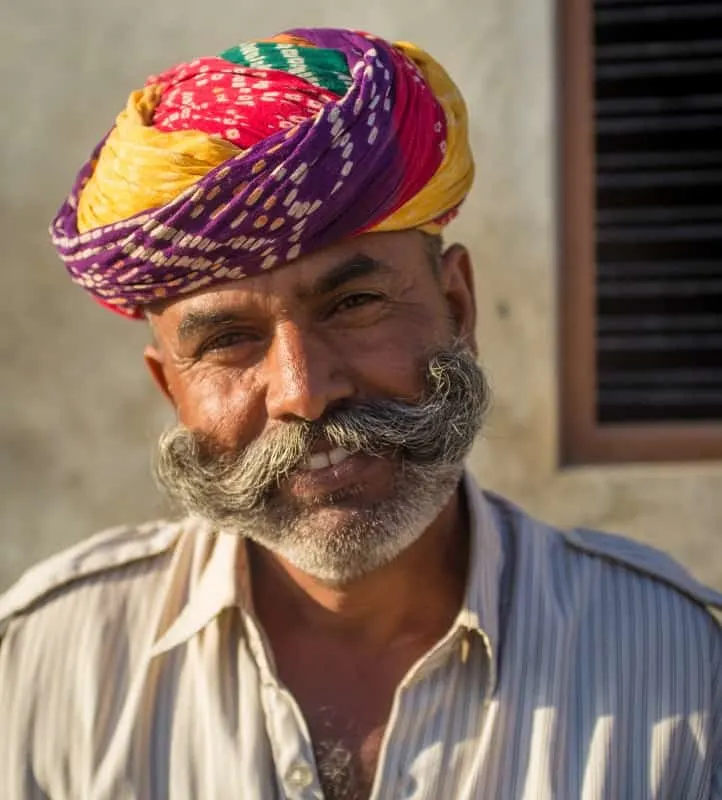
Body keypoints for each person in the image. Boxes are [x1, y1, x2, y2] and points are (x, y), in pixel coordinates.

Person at [0, 27, 720, 800]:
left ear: (457, 305)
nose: (303, 391)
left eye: (355, 303)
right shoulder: (42, 664)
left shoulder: (684, 668)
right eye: (229, 342)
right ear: (169, 388)